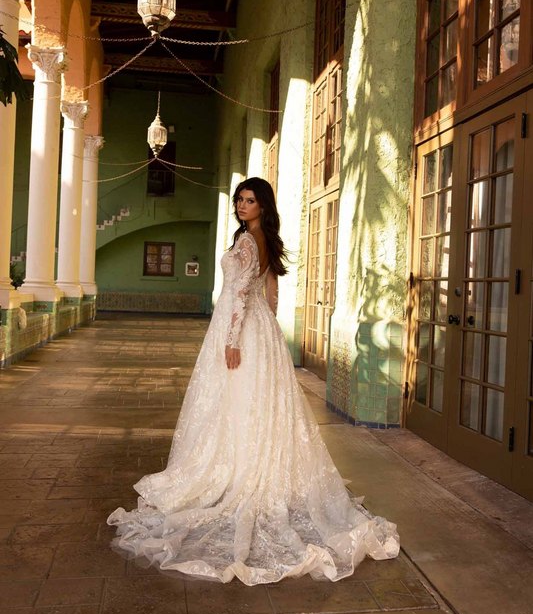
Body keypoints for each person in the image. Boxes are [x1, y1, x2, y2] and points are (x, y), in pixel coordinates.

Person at [107, 177, 400, 584]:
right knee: (255, 403)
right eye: (240, 200)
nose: (242, 206)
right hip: (257, 328)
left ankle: (239, 470)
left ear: (263, 205)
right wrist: (267, 325)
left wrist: (232, 341)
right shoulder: (263, 239)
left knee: (236, 403)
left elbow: (243, 293)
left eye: (250, 200)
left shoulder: (248, 240)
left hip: (239, 328)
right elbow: (271, 289)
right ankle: (254, 462)